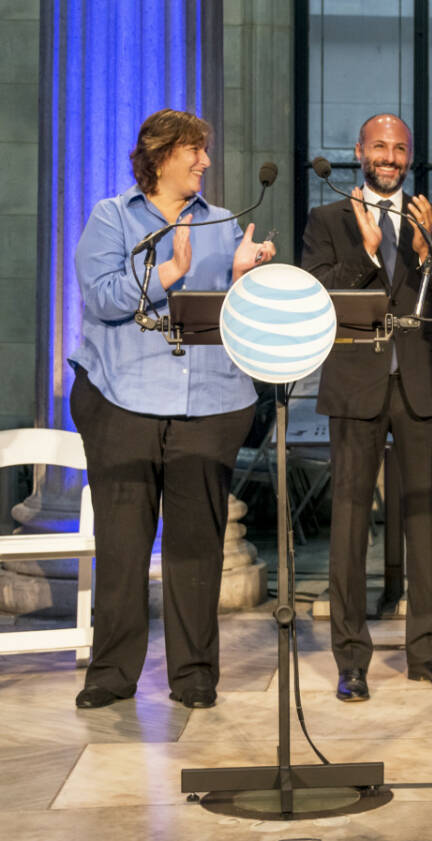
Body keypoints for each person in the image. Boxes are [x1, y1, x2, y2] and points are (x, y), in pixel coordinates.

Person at [69, 108, 276, 710]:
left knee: (196, 547)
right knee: (124, 544)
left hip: (209, 405)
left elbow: (230, 318)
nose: (205, 162)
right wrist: (170, 272)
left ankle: (193, 676)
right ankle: (111, 673)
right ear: (161, 157)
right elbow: (103, 296)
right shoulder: (112, 217)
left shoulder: (221, 223)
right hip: (121, 402)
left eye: (205, 151)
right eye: (195, 152)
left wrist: (242, 276)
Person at [299, 113, 432, 702]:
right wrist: (368, 255)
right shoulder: (327, 219)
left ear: (410, 154)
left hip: (420, 379)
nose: (390, 157)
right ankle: (352, 660)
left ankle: (426, 653)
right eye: (379, 146)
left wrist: (425, 253)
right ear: (359, 151)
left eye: (399, 148)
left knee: (424, 519)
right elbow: (321, 297)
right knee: (349, 520)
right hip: (356, 379)